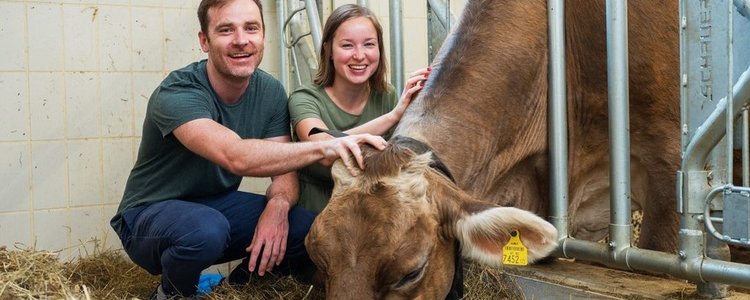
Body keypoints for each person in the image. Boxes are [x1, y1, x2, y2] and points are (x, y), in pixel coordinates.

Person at [108, 0, 388, 298]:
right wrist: (327, 146)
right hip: (146, 217)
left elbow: (283, 174)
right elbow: (236, 156)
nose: (241, 40)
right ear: (204, 41)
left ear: (263, 36)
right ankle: (172, 294)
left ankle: (234, 291)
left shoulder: (268, 91)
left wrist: (278, 207)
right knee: (205, 230)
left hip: (216, 207)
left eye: (251, 28)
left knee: (306, 228)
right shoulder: (179, 92)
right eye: (226, 30)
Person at [288, 4, 431, 213]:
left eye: (369, 44)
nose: (359, 55)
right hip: (315, 216)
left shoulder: (386, 95)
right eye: (347, 46)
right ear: (328, 50)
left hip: (370, 213)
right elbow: (325, 149)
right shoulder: (304, 98)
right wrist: (394, 116)